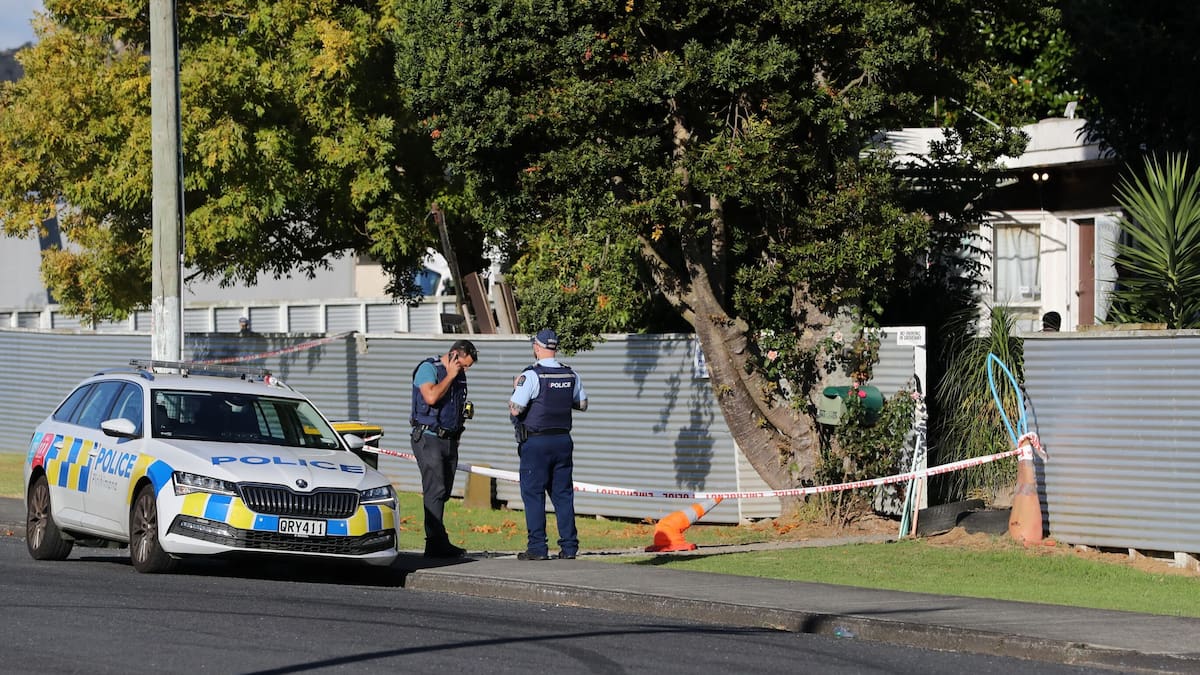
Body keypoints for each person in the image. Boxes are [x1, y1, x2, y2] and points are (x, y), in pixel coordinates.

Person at [509, 329, 588, 561]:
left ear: (537, 346)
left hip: (536, 442)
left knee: (533, 494)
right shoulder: (570, 373)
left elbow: (516, 409)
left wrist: (516, 389)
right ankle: (569, 547)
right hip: (563, 441)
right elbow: (582, 404)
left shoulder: (531, 375)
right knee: (563, 495)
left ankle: (537, 547)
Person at [410, 339, 478, 558]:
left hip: (449, 439)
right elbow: (430, 397)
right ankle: (435, 543)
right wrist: (450, 375)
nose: (465, 370)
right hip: (429, 437)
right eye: (464, 365)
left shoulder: (458, 376)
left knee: (443, 491)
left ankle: (439, 540)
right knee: (435, 489)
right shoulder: (429, 369)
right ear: (454, 356)